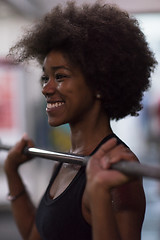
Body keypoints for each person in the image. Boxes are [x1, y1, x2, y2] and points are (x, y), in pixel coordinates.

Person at [4, 1, 157, 240]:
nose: (46, 88)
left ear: (99, 85)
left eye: (60, 76)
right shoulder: (64, 163)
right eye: (46, 77)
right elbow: (38, 235)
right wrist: (12, 172)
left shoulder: (119, 173)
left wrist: (98, 193)